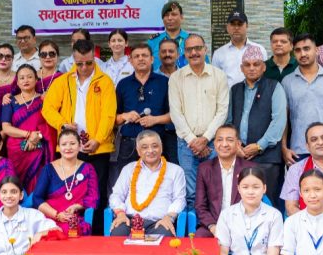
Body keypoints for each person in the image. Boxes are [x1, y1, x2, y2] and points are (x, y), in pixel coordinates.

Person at [108, 130, 187, 255]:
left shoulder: (175, 170)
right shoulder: (129, 169)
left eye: (154, 146)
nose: (150, 150)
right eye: (144, 147)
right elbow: (116, 195)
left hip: (159, 221)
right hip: (130, 219)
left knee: (165, 242)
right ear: (138, 150)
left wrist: (169, 216)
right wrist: (120, 213)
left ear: (161, 147)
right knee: (117, 238)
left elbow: (180, 198)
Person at [42, 38, 116, 227]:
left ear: (95, 59)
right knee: (69, 191)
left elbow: (109, 115)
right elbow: (47, 108)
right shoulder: (63, 81)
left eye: (89, 63)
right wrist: (63, 125)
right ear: (73, 60)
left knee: (97, 192)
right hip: (69, 147)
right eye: (79, 63)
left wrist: (98, 139)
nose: (84, 68)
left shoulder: (105, 82)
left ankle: (96, 232)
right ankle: (69, 227)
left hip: (97, 148)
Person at [169, 34, 230, 210]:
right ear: (184, 53)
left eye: (198, 48)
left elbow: (222, 111)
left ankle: (213, 225)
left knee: (215, 191)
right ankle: (193, 226)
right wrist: (193, 141)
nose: (194, 53)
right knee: (190, 193)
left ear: (205, 50)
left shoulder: (219, 76)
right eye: (189, 49)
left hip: (213, 143)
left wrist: (205, 139)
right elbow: (176, 113)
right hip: (186, 144)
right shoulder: (176, 78)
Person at [227, 44, 287, 204]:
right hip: (240, 155)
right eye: (247, 65)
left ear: (264, 67)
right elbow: (229, 121)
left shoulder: (274, 87)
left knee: (268, 202)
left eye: (256, 64)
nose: (252, 68)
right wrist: (236, 146)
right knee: (241, 201)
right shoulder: (235, 90)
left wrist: (260, 145)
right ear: (242, 68)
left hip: (267, 157)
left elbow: (279, 122)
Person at [281, 34, 323, 166]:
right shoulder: (287, 81)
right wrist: (284, 148)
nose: (303, 54)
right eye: (298, 50)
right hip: (298, 151)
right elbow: (283, 118)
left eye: (307, 49)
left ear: (316, 50)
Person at [112, 43, 173, 185]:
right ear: (130, 60)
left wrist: (155, 120)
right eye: (136, 56)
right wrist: (125, 116)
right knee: (128, 184)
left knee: (159, 183)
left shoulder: (164, 82)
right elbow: (113, 119)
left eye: (144, 55)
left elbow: (175, 115)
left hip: (157, 144)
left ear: (152, 59)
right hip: (129, 144)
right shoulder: (123, 84)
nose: (141, 59)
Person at [33, 129, 99, 236]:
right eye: (64, 144)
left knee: (71, 229)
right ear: (58, 147)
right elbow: (37, 198)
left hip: (72, 219)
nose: (68, 147)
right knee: (45, 231)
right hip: (49, 217)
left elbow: (93, 198)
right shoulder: (48, 169)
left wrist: (77, 206)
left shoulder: (88, 169)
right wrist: (57, 215)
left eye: (72, 143)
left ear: (79, 146)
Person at [1, 65, 55, 193]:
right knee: (16, 184)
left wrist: (37, 137)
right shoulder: (9, 101)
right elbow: (6, 128)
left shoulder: (44, 99)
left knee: (38, 184)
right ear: (17, 82)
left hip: (39, 147)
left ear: (36, 80)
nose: (26, 80)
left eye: (30, 77)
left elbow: (51, 126)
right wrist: (29, 135)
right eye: (22, 78)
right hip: (16, 150)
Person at [195, 125, 256, 238]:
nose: (224, 144)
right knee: (200, 238)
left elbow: (254, 202)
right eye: (219, 140)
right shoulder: (205, 168)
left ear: (238, 144)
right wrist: (212, 226)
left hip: (243, 225)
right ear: (214, 143)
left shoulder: (250, 169)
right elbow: (200, 205)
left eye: (230, 140)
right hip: (214, 224)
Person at [211, 11, 267, 86]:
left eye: (240, 24)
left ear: (247, 26)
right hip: (228, 93)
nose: (236, 28)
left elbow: (265, 76)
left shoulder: (260, 49)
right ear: (227, 27)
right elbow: (215, 80)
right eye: (233, 24)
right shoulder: (219, 53)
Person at [146, 0, 192, 68]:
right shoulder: (153, 41)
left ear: (181, 17)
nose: (170, 18)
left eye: (174, 14)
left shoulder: (191, 40)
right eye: (166, 15)